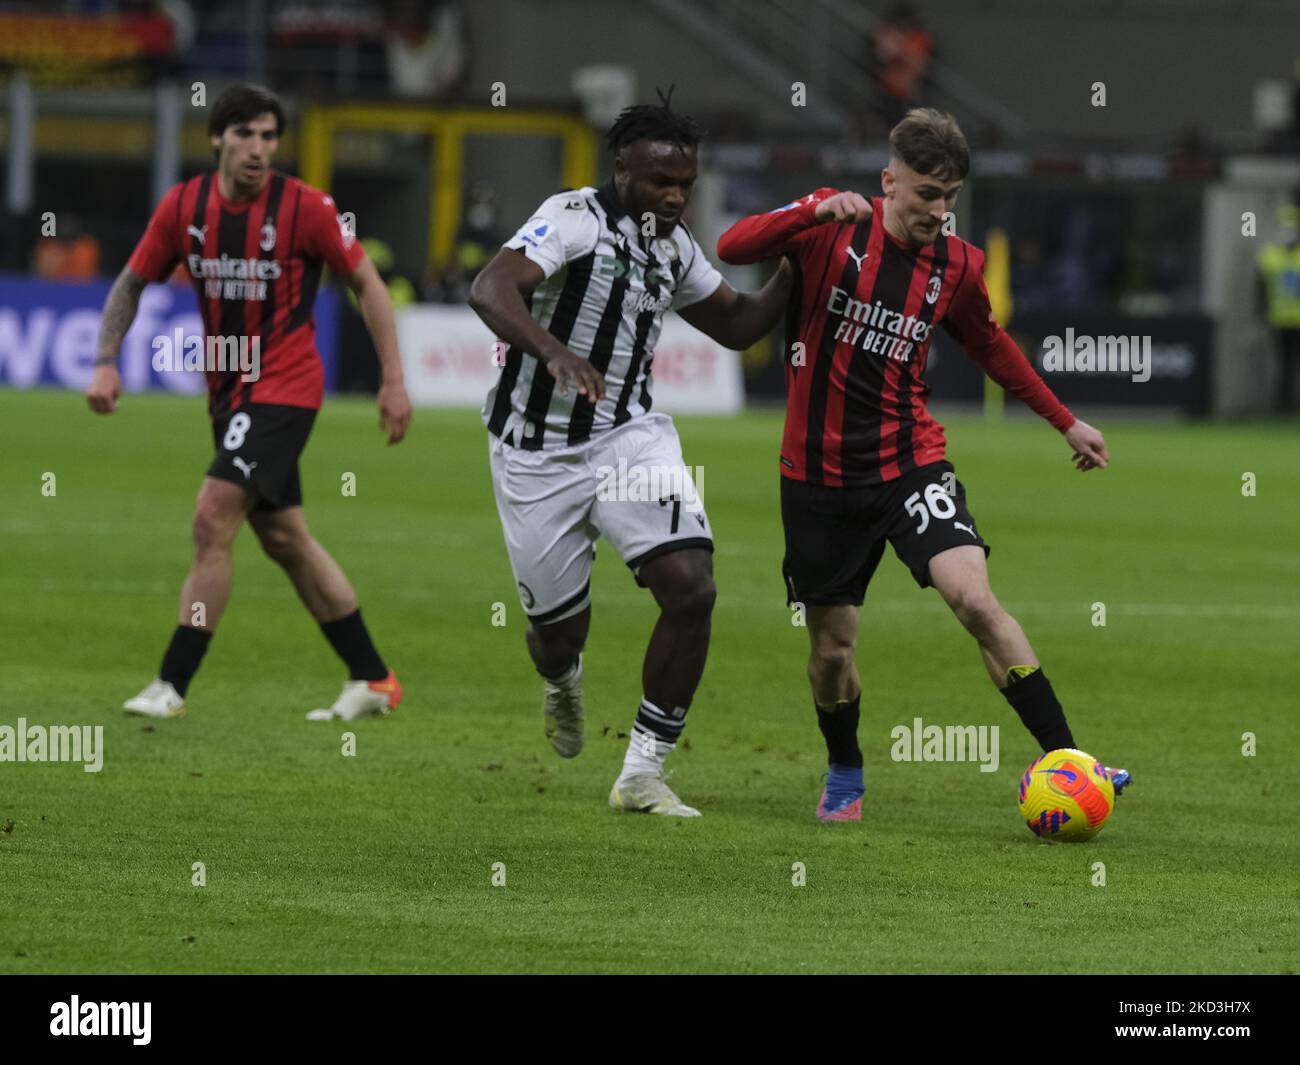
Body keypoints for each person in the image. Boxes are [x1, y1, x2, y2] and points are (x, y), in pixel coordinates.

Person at [717, 107, 1131, 822]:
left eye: (950, 197)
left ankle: (1070, 761)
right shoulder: (831, 228)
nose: (939, 212)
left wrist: (1065, 421)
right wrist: (812, 204)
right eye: (925, 195)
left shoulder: (959, 265)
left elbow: (992, 346)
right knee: (832, 650)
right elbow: (732, 243)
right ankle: (845, 767)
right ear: (889, 182)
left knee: (974, 599)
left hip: (910, 460)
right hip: (817, 475)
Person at [468, 91, 791, 817]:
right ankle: (562, 680)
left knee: (693, 587)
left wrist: (800, 263)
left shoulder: (673, 246)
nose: (674, 197)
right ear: (622, 171)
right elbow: (490, 288)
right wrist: (554, 352)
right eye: (658, 183)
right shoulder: (573, 219)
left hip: (627, 437)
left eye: (685, 184)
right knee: (556, 638)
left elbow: (738, 325)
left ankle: (642, 770)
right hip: (535, 454)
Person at [86, 83, 413, 722]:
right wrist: (103, 362)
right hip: (228, 392)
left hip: (286, 387)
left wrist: (393, 378)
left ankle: (171, 684)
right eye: (245, 135)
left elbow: (366, 284)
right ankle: (373, 678)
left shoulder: (307, 208)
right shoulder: (184, 205)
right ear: (217, 139)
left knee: (212, 518)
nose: (259, 149)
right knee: (286, 538)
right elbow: (131, 282)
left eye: (269, 136)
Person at [1256, 204, 1300, 413]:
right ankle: (1283, 405)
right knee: (1283, 365)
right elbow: (1261, 287)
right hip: (1279, 319)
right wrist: (1261, 313)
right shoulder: (1269, 254)